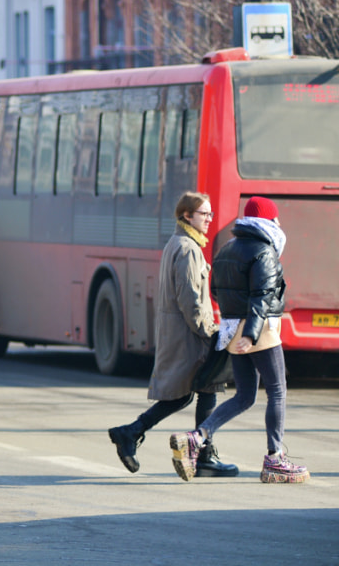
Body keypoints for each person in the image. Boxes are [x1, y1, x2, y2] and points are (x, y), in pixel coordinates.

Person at [170, 196, 308, 483]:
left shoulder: (226, 249)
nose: (279, 223)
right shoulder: (264, 251)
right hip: (260, 330)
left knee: (244, 396)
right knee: (277, 391)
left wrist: (238, 330)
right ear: (268, 221)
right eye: (275, 218)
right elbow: (262, 295)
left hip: (230, 326)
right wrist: (251, 333)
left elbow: (217, 292)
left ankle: (196, 437)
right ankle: (275, 460)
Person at [107, 192, 237, 477]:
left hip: (181, 333)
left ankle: (138, 434)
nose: (210, 219)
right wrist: (211, 333)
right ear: (187, 215)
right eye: (204, 213)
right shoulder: (188, 248)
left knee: (194, 392)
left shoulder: (178, 243)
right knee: (201, 390)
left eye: (211, 214)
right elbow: (190, 301)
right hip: (190, 336)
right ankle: (198, 453)